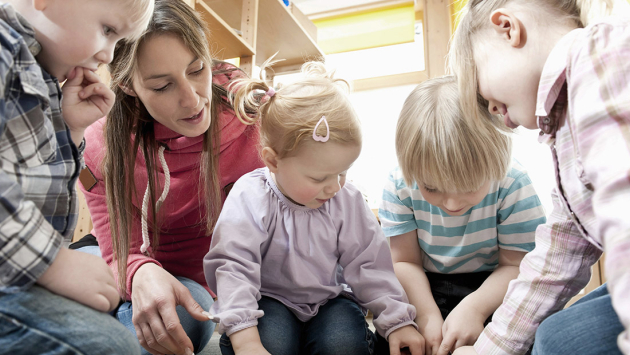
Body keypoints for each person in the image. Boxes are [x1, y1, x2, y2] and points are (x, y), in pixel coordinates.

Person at [76, 1, 263, 355]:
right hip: (111, 257)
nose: (192, 100)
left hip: (191, 283)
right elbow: (118, 247)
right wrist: (138, 271)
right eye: (162, 86)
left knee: (177, 320)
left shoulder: (253, 119)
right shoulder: (100, 140)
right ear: (128, 86)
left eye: (197, 69)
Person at [203, 61, 425, 355]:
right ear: (272, 161)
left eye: (343, 172)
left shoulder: (346, 199)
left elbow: (369, 264)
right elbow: (234, 267)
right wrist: (246, 340)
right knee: (272, 344)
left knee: (344, 344)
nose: (334, 186)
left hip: (330, 300)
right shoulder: (251, 195)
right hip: (268, 300)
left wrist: (397, 322)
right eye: (319, 178)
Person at [448, 0, 630, 354]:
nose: (497, 115)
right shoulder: (564, 133)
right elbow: (557, 257)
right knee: (555, 338)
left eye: (488, 98)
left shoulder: (596, 56)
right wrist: (490, 349)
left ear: (508, 28)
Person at [0, 0, 153, 354]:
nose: (108, 55)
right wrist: (52, 264)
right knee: (108, 345)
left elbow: (34, 178)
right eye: (108, 30)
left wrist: (71, 130)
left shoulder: (41, 72)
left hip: (17, 266)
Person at [379, 76, 546, 355]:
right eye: (431, 188)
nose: (452, 203)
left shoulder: (512, 183)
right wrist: (427, 315)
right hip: (424, 284)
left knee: (527, 340)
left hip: (494, 285)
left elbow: (517, 266)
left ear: (495, 162)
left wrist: (475, 308)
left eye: (468, 188)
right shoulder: (400, 184)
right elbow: (405, 262)